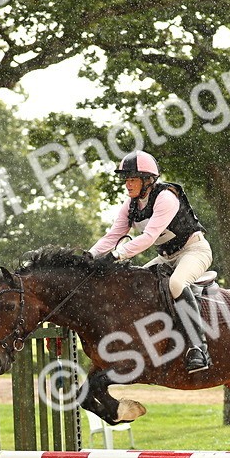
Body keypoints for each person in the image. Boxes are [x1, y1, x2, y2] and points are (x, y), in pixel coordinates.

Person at [88, 150, 214, 373]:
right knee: (134, 287)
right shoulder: (131, 206)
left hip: (194, 251)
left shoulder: (166, 197)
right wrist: (88, 258)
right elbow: (112, 237)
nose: (127, 184)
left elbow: (148, 238)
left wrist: (117, 255)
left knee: (177, 284)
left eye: (132, 179)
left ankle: (198, 348)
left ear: (148, 180)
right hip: (165, 257)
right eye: (126, 179)